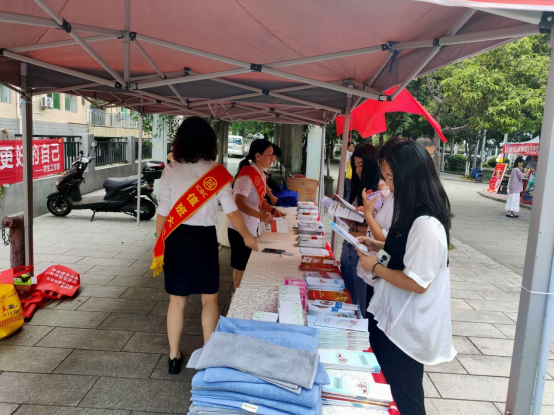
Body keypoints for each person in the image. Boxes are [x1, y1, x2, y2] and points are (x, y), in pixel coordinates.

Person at [356, 141, 456, 415]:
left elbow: (418, 282)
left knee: (405, 398)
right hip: (392, 317)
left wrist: (375, 268)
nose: (388, 186)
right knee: (387, 388)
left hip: (406, 328)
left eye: (391, 178)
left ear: (410, 177)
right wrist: (379, 246)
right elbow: (406, 252)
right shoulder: (411, 210)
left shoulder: (427, 224)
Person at [155, 117, 259, 376]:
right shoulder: (217, 171)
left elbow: (163, 211)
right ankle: (208, 356)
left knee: (176, 301)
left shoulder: (170, 170)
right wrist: (246, 236)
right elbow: (231, 210)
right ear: (210, 142)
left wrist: (160, 241)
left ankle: (173, 357)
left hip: (176, 238)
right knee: (210, 299)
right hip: (203, 240)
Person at [229, 139, 285, 290]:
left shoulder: (260, 174)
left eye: (272, 154)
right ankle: (237, 295)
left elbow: (258, 201)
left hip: (250, 225)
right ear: (258, 156)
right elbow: (239, 203)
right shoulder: (247, 175)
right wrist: (261, 216)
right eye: (269, 154)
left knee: (246, 264)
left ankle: (241, 292)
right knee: (240, 266)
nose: (272, 158)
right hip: (239, 228)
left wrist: (273, 210)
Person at [340, 144, 381, 313]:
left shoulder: (381, 192)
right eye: (355, 166)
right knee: (349, 300)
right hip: (350, 247)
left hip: (364, 253)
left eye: (361, 165)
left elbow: (378, 232)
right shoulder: (361, 188)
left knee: (363, 306)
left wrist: (354, 225)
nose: (357, 170)